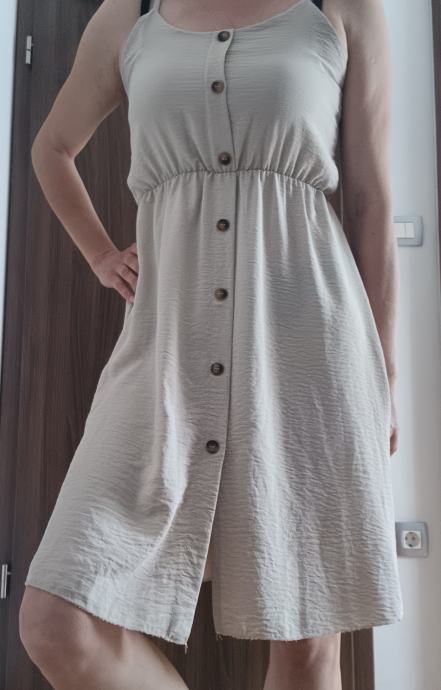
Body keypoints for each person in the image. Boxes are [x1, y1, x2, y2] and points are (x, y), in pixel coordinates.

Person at [19, 0, 403, 688]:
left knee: (304, 643)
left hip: (311, 352)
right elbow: (52, 147)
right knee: (56, 622)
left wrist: (384, 376)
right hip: (162, 355)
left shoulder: (341, 9)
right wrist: (101, 255)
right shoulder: (130, 15)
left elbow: (372, 201)